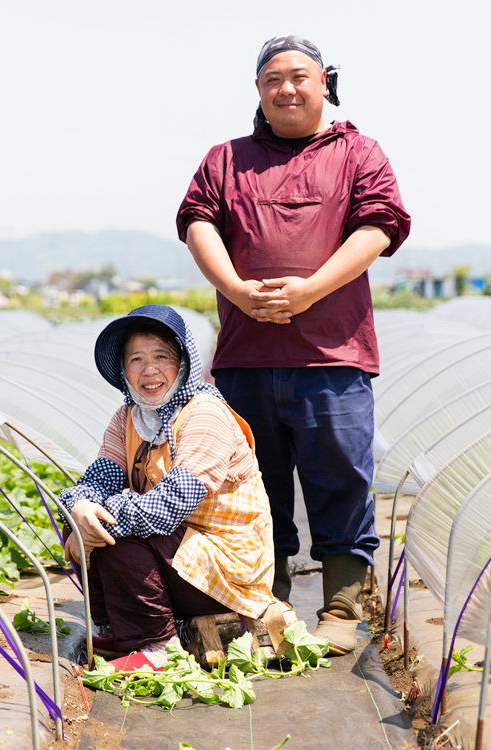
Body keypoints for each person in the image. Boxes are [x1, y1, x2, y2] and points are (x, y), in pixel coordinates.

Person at [176, 35, 411, 654]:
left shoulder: (359, 152)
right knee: (253, 484)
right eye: (272, 78)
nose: (286, 88)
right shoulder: (226, 158)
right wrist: (234, 287)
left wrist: (310, 291)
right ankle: (266, 601)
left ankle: (340, 607)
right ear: (258, 91)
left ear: (325, 81)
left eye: (299, 76)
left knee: (342, 477)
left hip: (333, 355)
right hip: (246, 357)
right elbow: (198, 220)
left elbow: (379, 226)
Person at [58, 304, 280, 668]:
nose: (149, 370)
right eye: (136, 359)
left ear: (185, 362)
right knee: (82, 519)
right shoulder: (129, 416)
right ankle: (126, 628)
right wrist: (80, 506)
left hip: (223, 566)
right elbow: (99, 477)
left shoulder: (204, 413)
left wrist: (97, 515)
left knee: (111, 528)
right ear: (123, 369)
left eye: (161, 356)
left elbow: (171, 505)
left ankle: (159, 646)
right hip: (176, 553)